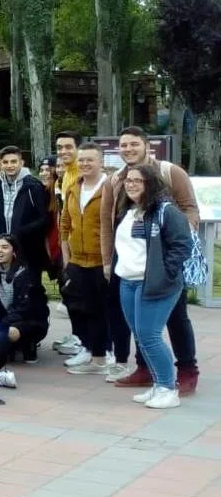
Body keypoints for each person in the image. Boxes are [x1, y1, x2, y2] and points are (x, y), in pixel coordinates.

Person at [99, 127, 201, 396]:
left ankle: (187, 369)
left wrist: (172, 244)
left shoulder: (170, 172)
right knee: (139, 322)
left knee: (176, 318)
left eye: (134, 144)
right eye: (123, 145)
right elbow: (107, 222)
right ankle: (146, 368)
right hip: (129, 260)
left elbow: (189, 207)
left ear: (146, 145)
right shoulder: (116, 180)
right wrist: (108, 261)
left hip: (162, 259)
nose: (128, 149)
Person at [111, 162, 193, 410]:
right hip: (128, 282)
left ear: (151, 184)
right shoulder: (129, 210)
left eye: (138, 180)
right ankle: (158, 384)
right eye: (128, 180)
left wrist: (164, 274)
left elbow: (182, 245)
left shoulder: (166, 211)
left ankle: (169, 388)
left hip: (155, 284)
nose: (131, 184)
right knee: (141, 336)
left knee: (150, 336)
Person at [60, 142, 114, 375]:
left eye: (90, 160)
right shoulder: (73, 187)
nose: (85, 164)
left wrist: (109, 260)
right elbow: (65, 224)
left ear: (101, 162)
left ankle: (109, 353)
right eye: (81, 160)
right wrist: (66, 258)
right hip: (78, 261)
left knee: (106, 309)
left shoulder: (110, 187)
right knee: (85, 308)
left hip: (102, 261)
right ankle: (92, 351)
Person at [0, 234, 49, 378]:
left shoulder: (26, 274)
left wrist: (2, 321)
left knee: (10, 332)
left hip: (28, 320)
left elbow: (28, 309)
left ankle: (28, 344)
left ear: (14, 251)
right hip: (1, 318)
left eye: (4, 247)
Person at [0, 146, 51, 280]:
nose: (10, 165)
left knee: (31, 287)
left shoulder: (33, 186)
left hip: (28, 247)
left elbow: (45, 219)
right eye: (6, 162)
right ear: (0, 164)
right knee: (5, 284)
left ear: (21, 163)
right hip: (3, 246)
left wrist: (21, 232)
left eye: (13, 161)